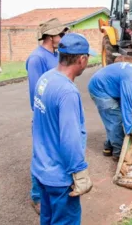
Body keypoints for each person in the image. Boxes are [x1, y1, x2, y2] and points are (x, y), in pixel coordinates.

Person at [31, 33, 96, 224]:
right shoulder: (67, 92)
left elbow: (37, 123)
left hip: (42, 170)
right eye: (87, 58)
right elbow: (70, 138)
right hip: (60, 177)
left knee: (48, 218)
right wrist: (79, 172)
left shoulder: (46, 78)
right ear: (81, 59)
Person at [25, 18, 68, 215]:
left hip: (57, 113)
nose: (63, 37)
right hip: (44, 115)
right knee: (41, 153)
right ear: (51, 37)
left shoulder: (56, 55)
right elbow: (37, 92)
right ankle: (37, 196)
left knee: (55, 152)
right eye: (61, 34)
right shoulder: (37, 59)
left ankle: (53, 189)